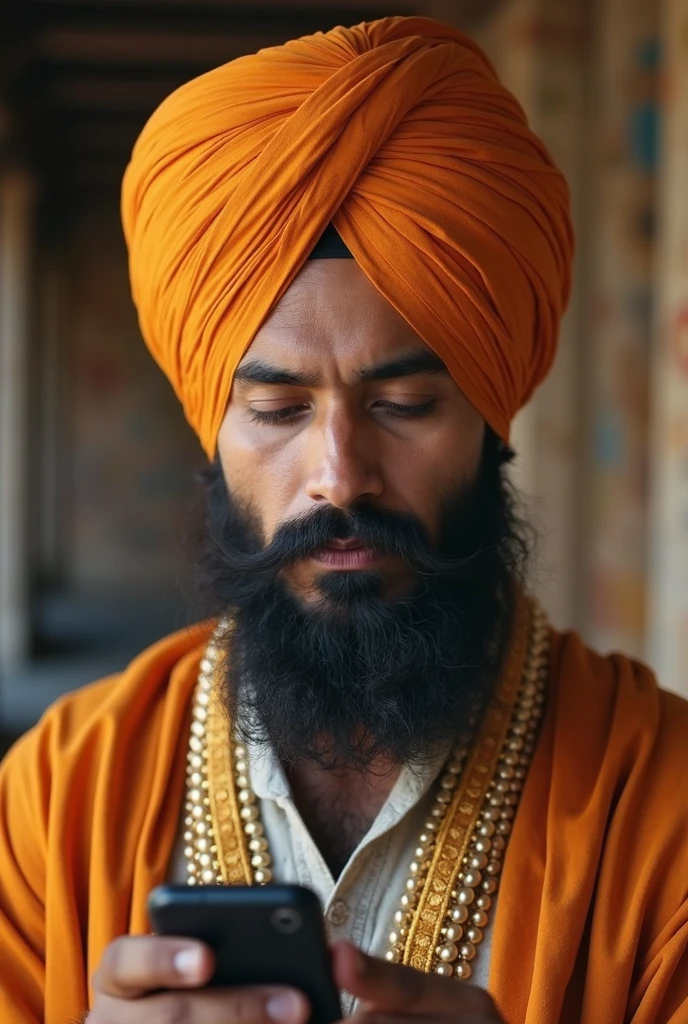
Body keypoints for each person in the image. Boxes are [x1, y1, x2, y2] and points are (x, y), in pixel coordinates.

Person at [0, 15, 687, 1024]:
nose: (339, 477)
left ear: (492, 421)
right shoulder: (60, 792)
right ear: (212, 431)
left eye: (403, 405)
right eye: (279, 411)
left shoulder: (662, 805)